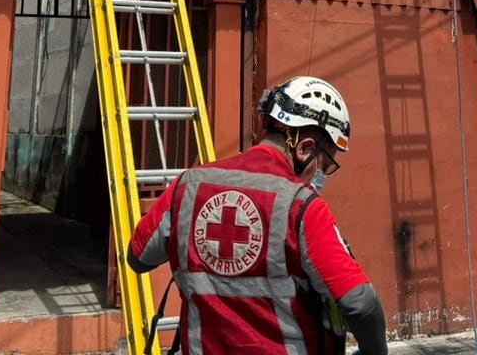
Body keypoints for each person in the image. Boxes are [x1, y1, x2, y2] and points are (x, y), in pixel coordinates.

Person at [128, 76, 387, 355]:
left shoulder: (187, 186)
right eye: (325, 164)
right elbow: (360, 304)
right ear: (305, 149)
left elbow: (138, 258)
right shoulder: (302, 207)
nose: (321, 176)